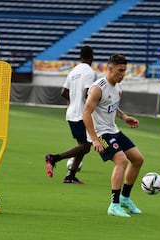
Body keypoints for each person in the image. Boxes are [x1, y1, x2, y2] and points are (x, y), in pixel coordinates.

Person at [82, 54, 144, 217]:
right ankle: (114, 205)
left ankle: (124, 199)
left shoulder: (117, 87)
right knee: (121, 160)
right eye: (120, 70)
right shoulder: (97, 88)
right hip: (101, 133)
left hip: (113, 130)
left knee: (138, 159)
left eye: (125, 71)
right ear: (110, 69)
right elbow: (86, 113)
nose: (123, 74)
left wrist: (124, 117)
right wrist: (94, 139)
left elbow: (112, 106)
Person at [45, 45, 97, 184]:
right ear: (92, 57)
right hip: (82, 114)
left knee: (83, 145)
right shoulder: (90, 73)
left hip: (71, 113)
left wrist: (73, 101)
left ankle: (70, 176)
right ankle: (54, 158)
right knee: (85, 146)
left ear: (80, 56)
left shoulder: (73, 71)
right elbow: (88, 93)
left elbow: (63, 92)